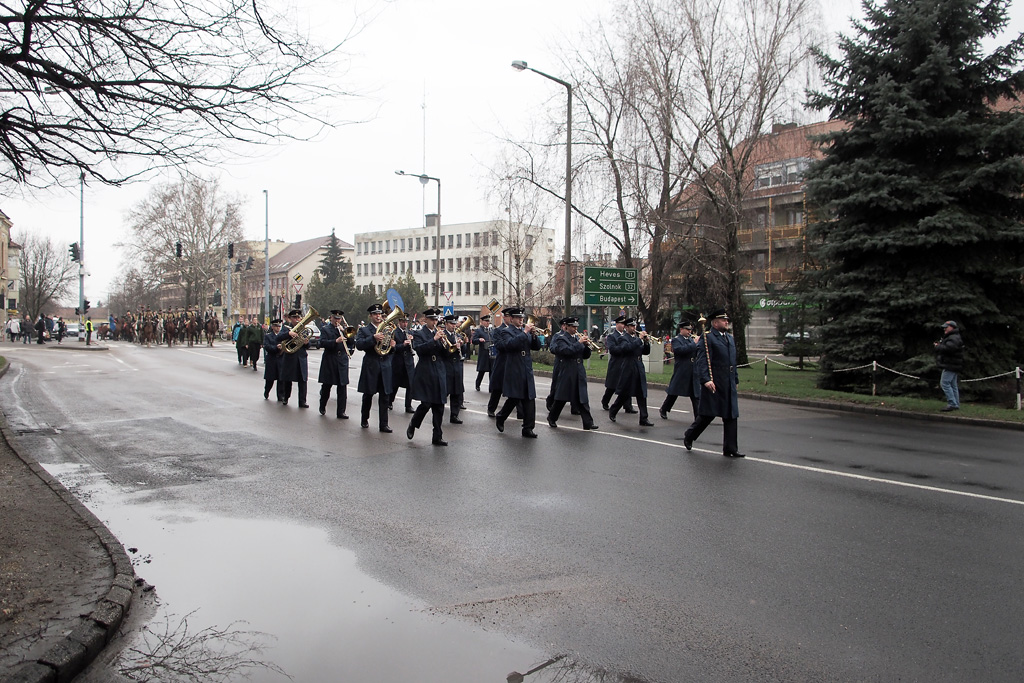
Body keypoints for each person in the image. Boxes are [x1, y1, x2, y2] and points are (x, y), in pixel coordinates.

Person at [683, 308, 744, 458]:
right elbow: (702, 361)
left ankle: (730, 448)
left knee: (731, 415)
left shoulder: (729, 338)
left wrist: (735, 378)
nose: (726, 322)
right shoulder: (708, 337)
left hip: (727, 381)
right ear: (715, 323)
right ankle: (690, 435)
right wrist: (706, 379)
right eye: (724, 320)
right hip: (714, 381)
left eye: (727, 320)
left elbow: (732, 362)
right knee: (707, 415)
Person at [494, 307, 541, 438]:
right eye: (519, 318)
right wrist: (525, 332)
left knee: (530, 398)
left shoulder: (524, 332)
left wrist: (533, 335)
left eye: (522, 318)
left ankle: (528, 428)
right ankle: (501, 416)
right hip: (514, 367)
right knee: (515, 397)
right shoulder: (506, 331)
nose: (521, 320)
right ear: (512, 319)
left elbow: (536, 347)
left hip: (526, 366)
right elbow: (510, 345)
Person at [406, 308, 450, 446]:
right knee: (426, 403)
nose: (434, 322)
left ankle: (437, 436)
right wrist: (434, 339)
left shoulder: (440, 333)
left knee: (439, 405)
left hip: (439, 370)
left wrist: (450, 345)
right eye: (432, 320)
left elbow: (447, 353)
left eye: (436, 320)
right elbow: (419, 349)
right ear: (425, 320)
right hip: (426, 370)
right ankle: (414, 423)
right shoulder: (419, 333)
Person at [546, 317, 598, 430]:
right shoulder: (562, 339)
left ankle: (588, 422)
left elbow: (585, 355)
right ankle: (552, 417)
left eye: (576, 327)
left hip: (579, 369)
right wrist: (579, 343)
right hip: (567, 370)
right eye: (573, 327)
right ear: (567, 327)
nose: (575, 329)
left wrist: (587, 347)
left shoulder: (577, 339)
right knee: (562, 397)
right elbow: (567, 351)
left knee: (582, 396)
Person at [355, 303, 395, 432]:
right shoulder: (364, 330)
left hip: (385, 366)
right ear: (370, 316)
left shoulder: (387, 329)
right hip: (371, 365)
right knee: (368, 395)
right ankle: (364, 419)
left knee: (385, 396)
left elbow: (389, 350)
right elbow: (359, 345)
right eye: (376, 314)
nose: (379, 316)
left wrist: (393, 346)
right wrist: (373, 338)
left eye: (380, 314)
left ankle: (384, 424)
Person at [607, 318, 654, 426]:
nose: (634, 328)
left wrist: (646, 343)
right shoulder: (623, 338)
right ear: (626, 327)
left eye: (635, 326)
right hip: (628, 367)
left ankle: (644, 418)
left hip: (638, 366)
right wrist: (639, 340)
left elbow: (645, 352)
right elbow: (627, 348)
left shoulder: (637, 338)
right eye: (632, 326)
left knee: (642, 393)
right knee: (624, 393)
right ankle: (613, 410)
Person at [660, 321, 700, 419]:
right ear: (681, 329)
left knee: (695, 394)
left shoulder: (691, 339)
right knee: (674, 391)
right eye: (687, 329)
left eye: (690, 329)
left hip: (692, 368)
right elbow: (679, 350)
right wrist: (694, 344)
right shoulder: (677, 340)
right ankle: (664, 408)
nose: (689, 331)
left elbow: (695, 352)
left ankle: (698, 416)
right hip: (682, 368)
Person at [317, 310, 352, 419]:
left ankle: (341, 412)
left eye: (339, 319)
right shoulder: (325, 329)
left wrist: (347, 333)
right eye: (335, 318)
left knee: (342, 387)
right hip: (330, 360)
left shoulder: (343, 330)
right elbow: (322, 343)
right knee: (327, 385)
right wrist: (335, 341)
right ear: (331, 318)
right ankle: (322, 405)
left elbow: (352, 342)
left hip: (342, 360)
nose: (337, 320)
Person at [274, 309, 310, 407]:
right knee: (287, 380)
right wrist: (289, 334)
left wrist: (306, 343)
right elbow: (278, 338)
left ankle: (302, 401)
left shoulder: (303, 328)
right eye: (294, 318)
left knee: (303, 380)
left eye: (298, 317)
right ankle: (285, 397)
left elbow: (307, 345)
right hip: (290, 357)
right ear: (290, 319)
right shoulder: (286, 328)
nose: (297, 319)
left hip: (301, 357)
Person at [601, 316, 636, 413]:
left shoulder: (628, 336)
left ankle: (628, 406)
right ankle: (605, 401)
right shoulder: (612, 336)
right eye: (621, 324)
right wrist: (624, 348)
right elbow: (613, 350)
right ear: (616, 324)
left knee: (626, 385)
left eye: (624, 324)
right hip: (616, 363)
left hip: (626, 363)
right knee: (612, 385)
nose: (623, 326)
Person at [388, 316, 416, 414]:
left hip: (408, 361)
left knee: (410, 384)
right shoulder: (394, 332)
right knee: (395, 384)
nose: (405, 324)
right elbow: (393, 348)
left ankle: (408, 405)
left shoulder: (410, 332)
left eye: (406, 322)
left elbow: (415, 347)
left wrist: (412, 341)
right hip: (398, 361)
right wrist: (403, 345)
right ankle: (390, 401)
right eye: (403, 322)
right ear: (399, 322)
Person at [934, 320, 964, 412]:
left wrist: (938, 347)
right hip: (953, 364)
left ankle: (952, 404)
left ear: (952, 327)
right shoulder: (953, 337)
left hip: (950, 364)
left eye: (946, 327)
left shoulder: (953, 338)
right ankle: (956, 403)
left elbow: (949, 349)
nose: (945, 329)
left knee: (945, 383)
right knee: (953, 384)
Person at [442, 314, 467, 424]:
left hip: (457, 366)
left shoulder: (457, 335)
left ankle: (454, 415)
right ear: (446, 324)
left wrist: (462, 344)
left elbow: (464, 352)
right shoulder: (443, 335)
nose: (454, 325)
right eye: (451, 324)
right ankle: (439, 413)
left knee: (457, 392)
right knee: (445, 392)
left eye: (454, 323)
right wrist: (452, 346)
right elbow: (442, 351)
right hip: (447, 366)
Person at [262, 319, 284, 401]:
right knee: (270, 379)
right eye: (276, 326)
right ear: (272, 327)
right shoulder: (268, 336)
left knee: (281, 379)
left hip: (281, 359)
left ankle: (280, 396)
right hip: (272, 359)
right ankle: (267, 391)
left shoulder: (283, 335)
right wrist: (276, 347)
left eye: (279, 326)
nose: (278, 328)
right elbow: (267, 347)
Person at [472, 315, 493, 391]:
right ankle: (478, 385)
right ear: (482, 322)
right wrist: (479, 339)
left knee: (492, 371)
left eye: (488, 321)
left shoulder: (491, 330)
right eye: (486, 321)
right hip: (484, 353)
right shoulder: (479, 330)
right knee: (482, 371)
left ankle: (491, 387)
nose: (488, 323)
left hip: (491, 353)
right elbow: (474, 340)